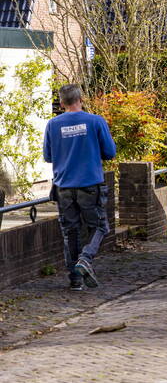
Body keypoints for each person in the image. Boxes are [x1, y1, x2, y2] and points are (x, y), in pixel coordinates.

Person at [43, 84, 117, 291]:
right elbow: (110, 152)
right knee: (100, 226)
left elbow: (48, 156)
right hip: (89, 185)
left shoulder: (52, 124)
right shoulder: (95, 121)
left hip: (63, 187)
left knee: (71, 232)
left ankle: (75, 280)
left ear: (62, 102)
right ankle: (85, 259)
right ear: (80, 98)